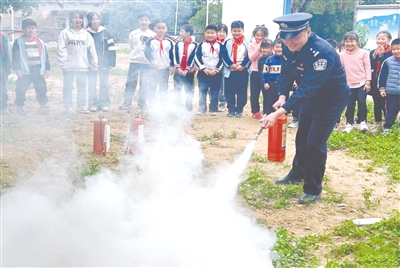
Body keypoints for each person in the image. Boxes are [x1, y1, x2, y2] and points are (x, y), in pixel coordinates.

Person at [262, 13, 350, 204]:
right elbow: (285, 72)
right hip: (310, 99)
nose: (290, 43)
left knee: (315, 143)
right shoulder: (286, 46)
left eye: (295, 38)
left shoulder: (322, 52)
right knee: (302, 138)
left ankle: (313, 188)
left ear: (308, 32)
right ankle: (297, 174)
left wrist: (279, 112)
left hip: (331, 100)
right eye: (286, 39)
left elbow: (306, 89)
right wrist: (282, 95)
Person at [57, 10, 98, 113]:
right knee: (68, 87)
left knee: (82, 87)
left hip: (82, 66)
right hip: (69, 66)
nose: (77, 20)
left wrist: (94, 62)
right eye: (75, 17)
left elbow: (91, 49)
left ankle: (81, 106)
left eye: (80, 18)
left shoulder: (86, 34)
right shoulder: (65, 33)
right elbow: (61, 49)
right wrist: (63, 63)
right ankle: (68, 106)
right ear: (71, 19)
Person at [12, 19, 51, 116]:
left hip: (38, 69)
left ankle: (43, 106)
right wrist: (17, 69)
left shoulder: (40, 42)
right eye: (28, 28)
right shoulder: (19, 42)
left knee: (41, 87)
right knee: (21, 88)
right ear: (23, 29)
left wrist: (46, 68)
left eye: (33, 28)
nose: (31, 30)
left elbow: (45, 56)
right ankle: (19, 107)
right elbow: (15, 57)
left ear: (36, 29)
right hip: (25, 70)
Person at [119, 11, 155, 109]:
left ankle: (142, 103)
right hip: (135, 62)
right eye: (142, 20)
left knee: (144, 83)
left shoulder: (153, 34)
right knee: (130, 82)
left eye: (146, 20)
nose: (144, 22)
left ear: (149, 22)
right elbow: (131, 47)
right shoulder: (133, 33)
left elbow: (153, 49)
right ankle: (127, 102)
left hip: (147, 63)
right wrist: (134, 56)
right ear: (138, 21)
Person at [340, 31, 371, 133]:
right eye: (347, 41)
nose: (349, 43)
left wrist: (368, 82)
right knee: (350, 104)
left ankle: (362, 122)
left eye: (352, 41)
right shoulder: (342, 55)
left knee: (362, 103)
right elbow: (341, 70)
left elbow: (367, 67)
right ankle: (349, 123)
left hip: (361, 83)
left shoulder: (363, 53)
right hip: (348, 84)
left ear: (357, 42)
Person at [86, 12, 116, 112]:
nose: (95, 21)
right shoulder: (86, 34)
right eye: (93, 19)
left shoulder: (106, 33)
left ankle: (104, 103)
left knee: (104, 83)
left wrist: (111, 62)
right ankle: (93, 104)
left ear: (100, 20)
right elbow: (85, 49)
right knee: (92, 83)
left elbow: (111, 48)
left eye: (97, 19)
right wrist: (90, 59)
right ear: (89, 21)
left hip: (104, 63)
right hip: (91, 63)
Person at [221, 20, 250, 118]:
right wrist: (230, 65)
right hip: (230, 71)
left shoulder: (247, 42)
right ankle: (231, 109)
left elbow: (249, 56)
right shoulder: (227, 42)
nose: (236, 33)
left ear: (243, 30)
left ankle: (239, 110)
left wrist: (243, 66)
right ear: (231, 31)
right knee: (229, 91)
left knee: (241, 91)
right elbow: (224, 55)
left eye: (239, 31)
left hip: (242, 70)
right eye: (234, 31)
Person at [194, 24, 224, 116]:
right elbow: (197, 57)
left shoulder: (220, 45)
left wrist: (216, 70)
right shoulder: (201, 45)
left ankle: (213, 109)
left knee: (215, 92)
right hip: (204, 73)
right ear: (205, 34)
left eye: (212, 33)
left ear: (216, 34)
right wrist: (203, 68)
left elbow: (222, 58)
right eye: (208, 33)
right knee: (202, 91)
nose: (210, 35)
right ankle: (202, 108)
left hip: (216, 73)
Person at [369, 30, 392, 127]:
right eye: (378, 39)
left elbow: (387, 66)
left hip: (387, 80)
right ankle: (377, 122)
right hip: (375, 79)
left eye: (383, 39)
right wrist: (375, 56)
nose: (380, 41)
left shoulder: (392, 52)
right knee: (376, 101)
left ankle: (388, 122)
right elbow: (372, 66)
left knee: (385, 102)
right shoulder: (373, 52)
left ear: (389, 40)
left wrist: (382, 55)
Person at [377, 38, 400, 135]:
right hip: (392, 92)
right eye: (394, 49)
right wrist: (382, 88)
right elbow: (382, 76)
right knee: (390, 111)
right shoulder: (387, 62)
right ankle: (387, 127)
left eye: (398, 49)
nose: (396, 51)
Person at [173, 24, 198, 112]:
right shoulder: (178, 44)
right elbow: (175, 56)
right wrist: (178, 67)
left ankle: (188, 107)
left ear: (188, 33)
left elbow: (193, 57)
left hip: (189, 72)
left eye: (181, 31)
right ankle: (177, 106)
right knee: (177, 89)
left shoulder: (195, 45)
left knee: (189, 90)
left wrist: (187, 69)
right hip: (178, 71)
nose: (180, 33)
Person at [249, 25, 269, 119]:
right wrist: (258, 48)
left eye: (262, 36)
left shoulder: (269, 44)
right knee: (255, 93)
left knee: (267, 93)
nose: (260, 37)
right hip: (255, 72)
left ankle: (266, 111)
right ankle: (255, 111)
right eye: (257, 35)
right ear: (254, 35)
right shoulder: (251, 45)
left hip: (267, 73)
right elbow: (251, 58)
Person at [262, 38, 282, 115]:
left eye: (281, 47)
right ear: (273, 48)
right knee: (270, 100)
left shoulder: (286, 59)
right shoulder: (269, 59)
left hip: (283, 84)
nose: (279, 49)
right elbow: (265, 72)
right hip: (272, 83)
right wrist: (265, 82)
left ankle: (281, 116)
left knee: (282, 99)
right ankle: (268, 114)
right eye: (277, 47)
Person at [257, 39, 273, 115]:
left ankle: (272, 112)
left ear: (271, 48)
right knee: (265, 97)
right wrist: (263, 81)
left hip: (273, 81)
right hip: (264, 81)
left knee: (272, 97)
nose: (265, 50)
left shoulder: (274, 58)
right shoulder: (260, 59)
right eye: (263, 48)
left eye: (267, 48)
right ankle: (265, 113)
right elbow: (260, 71)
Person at [0, 15, 11, 115]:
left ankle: (3, 107)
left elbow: (8, 52)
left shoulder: (3, 36)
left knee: (2, 88)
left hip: (2, 67)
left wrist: (8, 67)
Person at [216, 24, 228, 112]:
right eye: (220, 31)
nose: (221, 34)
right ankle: (213, 102)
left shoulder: (227, 43)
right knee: (215, 86)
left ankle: (222, 103)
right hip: (214, 68)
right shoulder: (213, 43)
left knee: (223, 86)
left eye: (224, 32)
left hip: (225, 68)